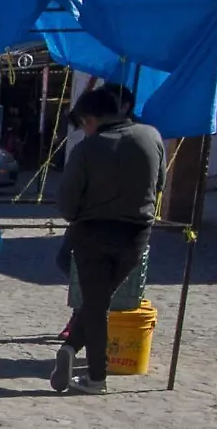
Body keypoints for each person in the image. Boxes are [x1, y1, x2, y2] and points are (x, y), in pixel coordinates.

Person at [50, 86, 165, 394]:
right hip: (136, 235)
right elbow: (161, 183)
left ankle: (96, 377)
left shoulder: (87, 149)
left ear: (91, 119)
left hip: (92, 233)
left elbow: (67, 203)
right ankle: (72, 349)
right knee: (98, 302)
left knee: (95, 304)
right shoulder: (151, 137)